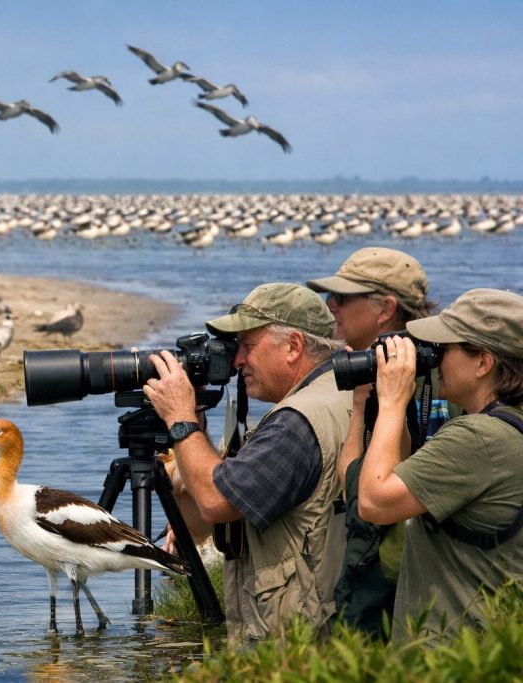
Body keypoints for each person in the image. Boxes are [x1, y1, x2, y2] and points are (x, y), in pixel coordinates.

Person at [144, 283, 351, 642]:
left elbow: (214, 501)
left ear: (294, 346)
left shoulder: (298, 422)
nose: (238, 360)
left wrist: (181, 420)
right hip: (324, 618)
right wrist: (193, 426)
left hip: (296, 642)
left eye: (248, 346)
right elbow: (207, 523)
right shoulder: (339, 393)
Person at [358, 288, 523, 640]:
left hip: (449, 658)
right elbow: (398, 473)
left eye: (443, 349)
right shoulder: (506, 426)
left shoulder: (479, 438)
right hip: (489, 648)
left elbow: (374, 501)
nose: (434, 360)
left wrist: (391, 401)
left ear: (483, 362)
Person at [306, 247, 447, 636]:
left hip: (410, 587)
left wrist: (394, 401)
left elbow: (387, 495)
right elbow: (350, 482)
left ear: (385, 308)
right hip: (371, 570)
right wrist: (361, 397)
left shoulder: (433, 382)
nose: (330, 306)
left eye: (342, 297)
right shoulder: (372, 371)